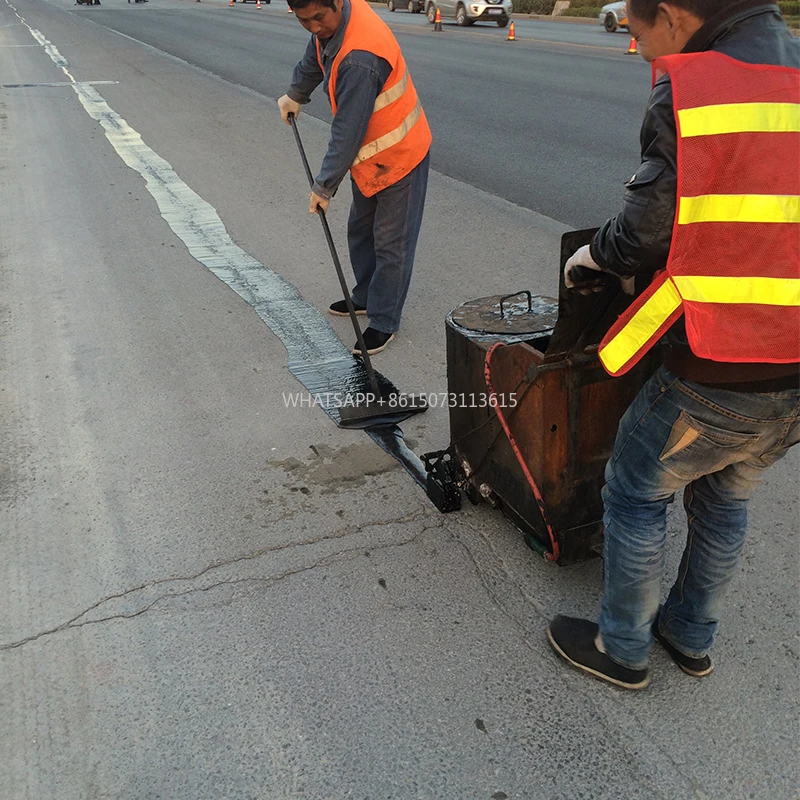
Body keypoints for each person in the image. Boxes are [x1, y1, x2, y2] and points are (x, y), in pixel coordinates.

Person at [548, 0, 800, 690]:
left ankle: (623, 647)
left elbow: (646, 230)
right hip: (796, 373)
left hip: (718, 362)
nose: (643, 56)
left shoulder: (693, 86)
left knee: (634, 490)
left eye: (639, 37)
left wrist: (595, 257)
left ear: (674, 16)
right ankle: (690, 635)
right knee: (726, 496)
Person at [278, 0, 431, 355]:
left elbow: (348, 130)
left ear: (337, 3)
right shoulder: (335, 25)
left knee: (392, 242)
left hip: (400, 153)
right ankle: (365, 295)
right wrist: (296, 92)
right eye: (304, 20)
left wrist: (323, 186)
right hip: (371, 158)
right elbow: (317, 52)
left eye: (319, 17)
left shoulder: (360, 58)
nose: (314, 27)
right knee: (361, 229)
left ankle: (383, 320)